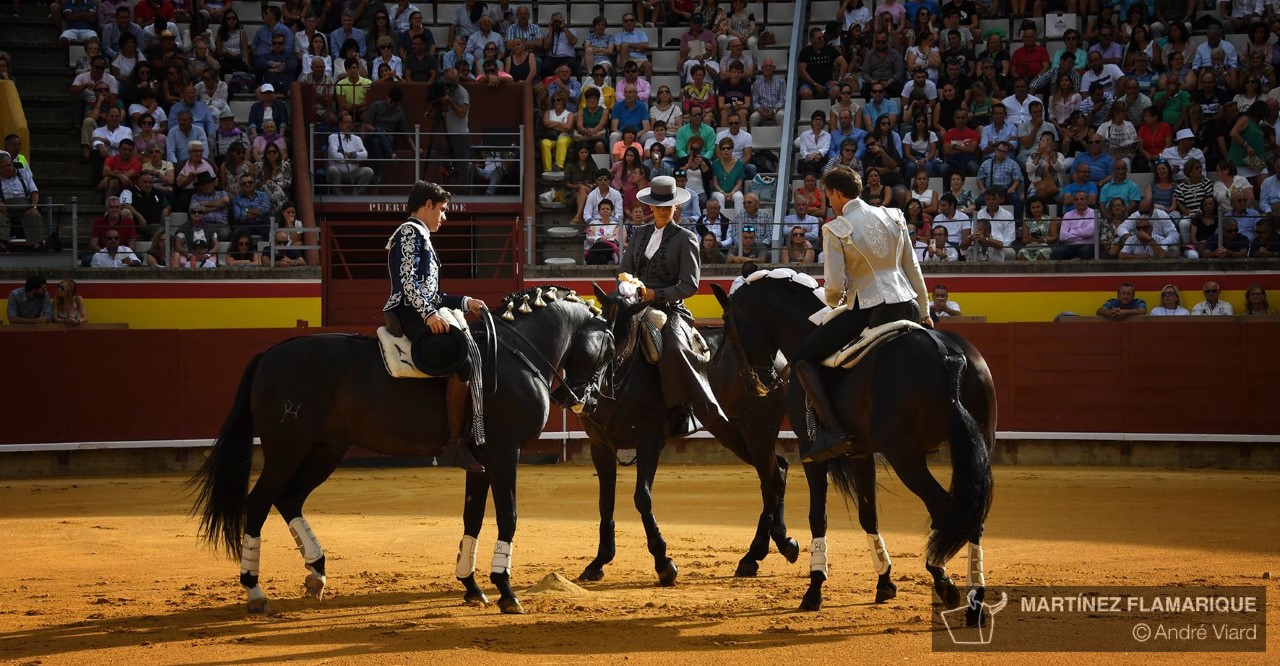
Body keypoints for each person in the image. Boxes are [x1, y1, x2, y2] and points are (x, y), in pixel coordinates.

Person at [792, 166, 932, 462]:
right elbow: (913, 268)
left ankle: (833, 431)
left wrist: (836, 298)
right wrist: (925, 310)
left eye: (828, 195)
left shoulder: (836, 228)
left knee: (803, 358)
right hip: (907, 303)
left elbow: (833, 289)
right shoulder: (895, 216)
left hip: (870, 309)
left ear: (838, 193)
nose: (828, 201)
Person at [383, 181, 488, 472]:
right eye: (441, 210)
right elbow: (408, 283)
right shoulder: (410, 231)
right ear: (427, 205)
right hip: (409, 313)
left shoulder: (420, 235)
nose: (444, 216)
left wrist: (466, 302)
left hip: (417, 310)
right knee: (461, 355)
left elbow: (433, 293)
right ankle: (456, 444)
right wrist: (429, 314)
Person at [619, 174, 731, 438]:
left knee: (674, 348)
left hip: (670, 308)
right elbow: (624, 270)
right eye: (657, 205)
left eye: (666, 206)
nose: (661, 210)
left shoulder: (686, 238)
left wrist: (653, 295)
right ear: (651, 207)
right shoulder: (639, 234)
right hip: (634, 304)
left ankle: (684, 409)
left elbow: (689, 285)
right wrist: (627, 286)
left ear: (674, 208)